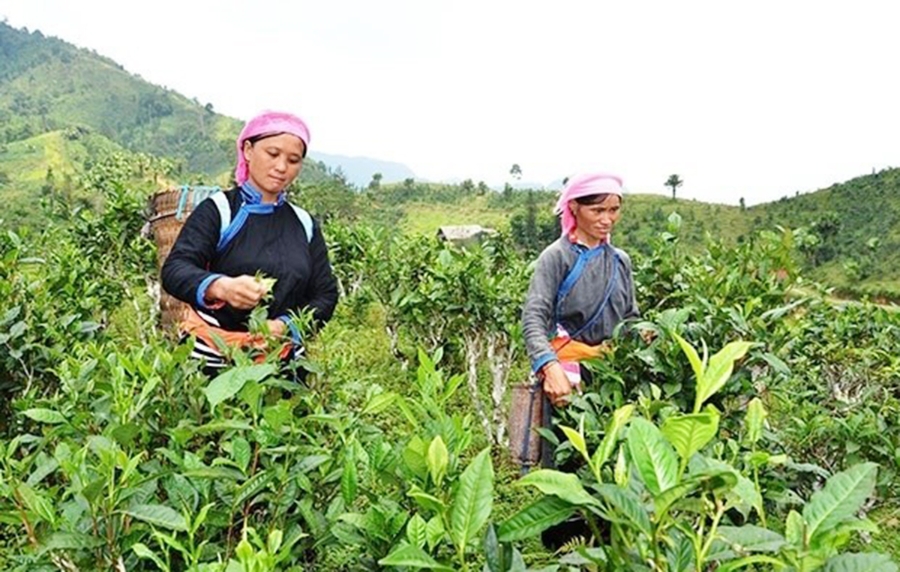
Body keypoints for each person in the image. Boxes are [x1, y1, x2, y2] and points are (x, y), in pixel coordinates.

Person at [161, 110, 339, 378]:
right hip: (213, 360)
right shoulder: (220, 210)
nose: (281, 167)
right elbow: (176, 269)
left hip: (284, 363)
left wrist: (286, 326)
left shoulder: (304, 223)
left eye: (293, 160)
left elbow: (325, 294)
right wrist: (221, 287)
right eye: (272, 154)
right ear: (248, 150)